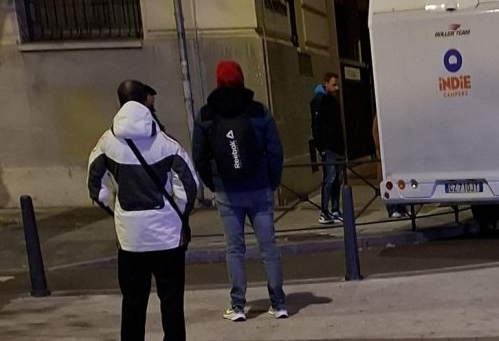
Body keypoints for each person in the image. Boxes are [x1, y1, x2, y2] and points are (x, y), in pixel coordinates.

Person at [88, 80, 200, 341]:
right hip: (167, 238)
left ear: (120, 103)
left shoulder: (107, 142)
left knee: (133, 303)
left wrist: (116, 209)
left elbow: (95, 184)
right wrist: (177, 215)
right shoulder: (165, 142)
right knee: (171, 303)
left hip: (131, 239)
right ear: (145, 102)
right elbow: (189, 186)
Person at [192, 60, 288, 321]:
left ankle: (237, 306)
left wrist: (213, 183)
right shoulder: (259, 111)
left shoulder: (206, 115)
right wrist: (272, 181)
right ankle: (278, 303)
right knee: (269, 247)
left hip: (227, 192)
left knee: (234, 249)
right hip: (259, 188)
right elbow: (276, 150)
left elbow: (199, 156)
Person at [310, 72, 345, 225]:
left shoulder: (331, 100)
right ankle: (325, 211)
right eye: (333, 84)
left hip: (335, 145)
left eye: (337, 84)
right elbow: (316, 126)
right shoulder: (320, 100)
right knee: (330, 178)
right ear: (325, 83)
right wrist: (321, 148)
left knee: (336, 178)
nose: (336, 87)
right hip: (329, 146)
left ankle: (335, 209)